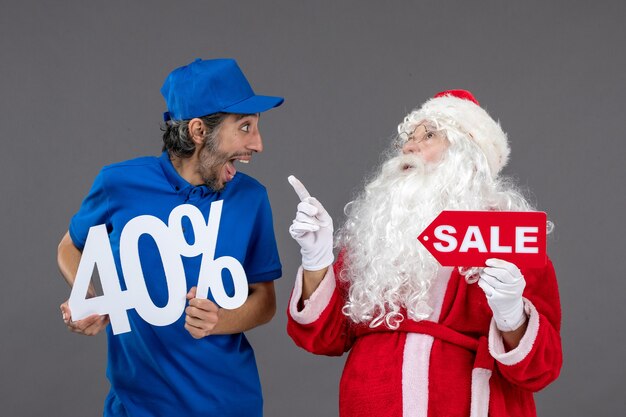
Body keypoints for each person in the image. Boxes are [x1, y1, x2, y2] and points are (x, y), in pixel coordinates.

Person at [286, 90, 562, 417]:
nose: (408, 146)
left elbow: (542, 370)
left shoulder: (507, 239)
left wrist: (513, 315)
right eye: (409, 137)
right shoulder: (378, 236)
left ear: (467, 156)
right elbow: (326, 338)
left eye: (428, 135)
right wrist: (317, 259)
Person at [57, 58, 284, 417]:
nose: (257, 144)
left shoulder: (251, 198)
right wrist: (87, 297)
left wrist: (217, 321)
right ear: (198, 131)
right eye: (244, 127)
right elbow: (69, 246)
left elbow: (266, 300)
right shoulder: (119, 184)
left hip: (227, 405)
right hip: (136, 406)